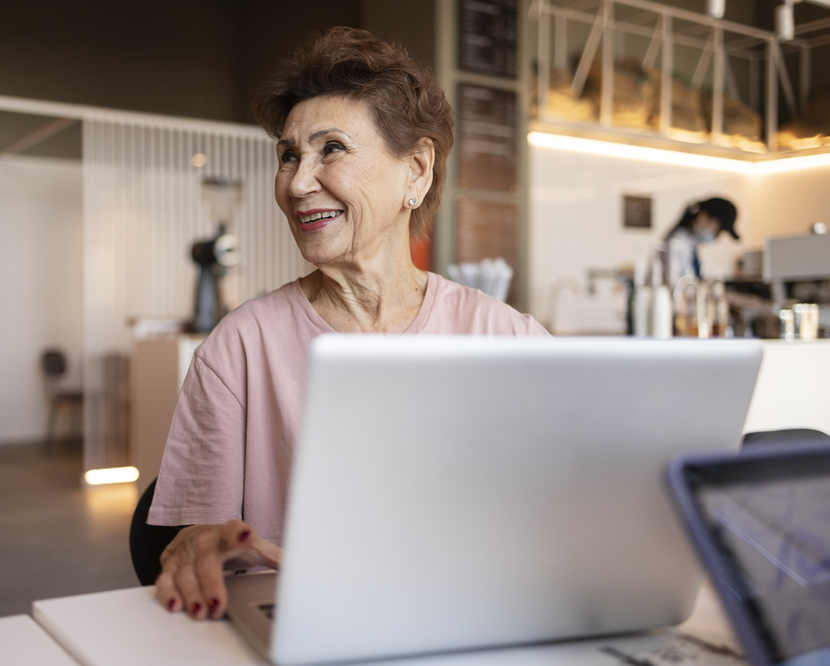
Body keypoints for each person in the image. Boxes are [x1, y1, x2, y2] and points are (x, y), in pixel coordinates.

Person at [147, 26, 549, 622]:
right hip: (304, 625)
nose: (298, 182)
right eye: (289, 155)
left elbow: (557, 520)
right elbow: (200, 540)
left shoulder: (510, 339)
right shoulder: (239, 347)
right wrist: (199, 548)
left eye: (331, 149)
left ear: (416, 171)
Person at [663, 197, 738, 287]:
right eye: (718, 230)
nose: (717, 236)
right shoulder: (676, 244)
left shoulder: (691, 243)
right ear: (703, 217)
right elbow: (677, 288)